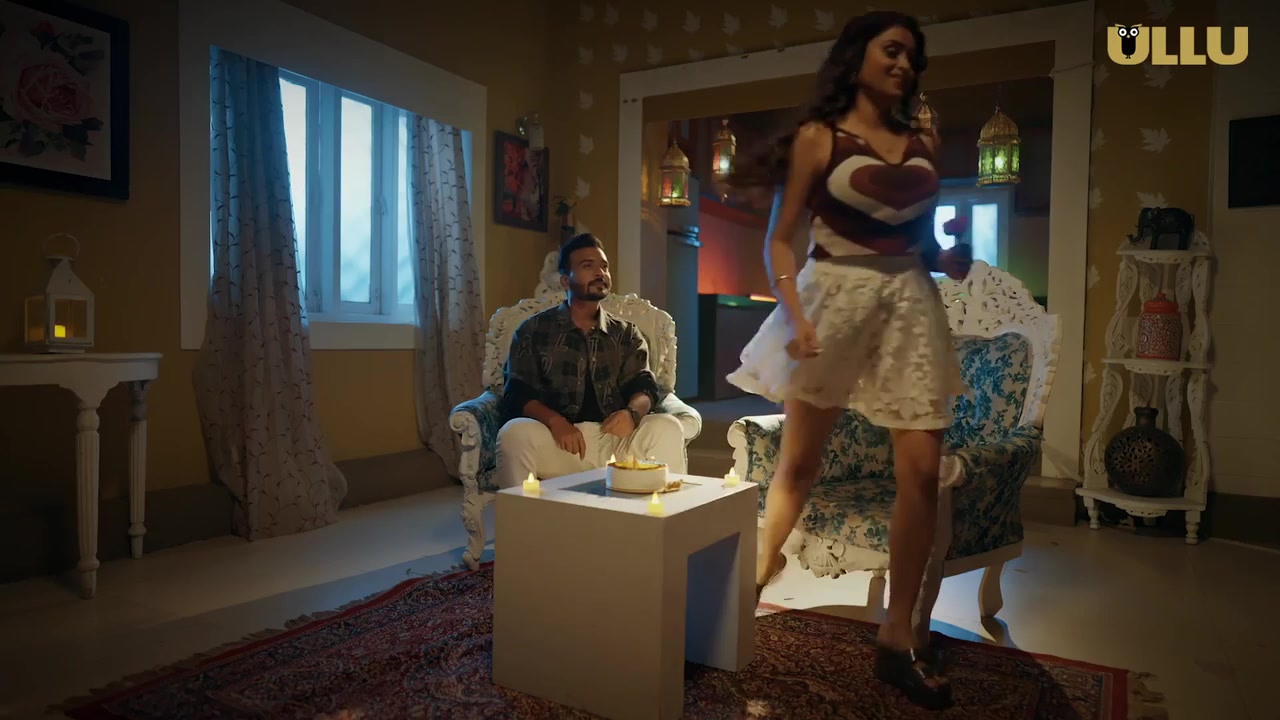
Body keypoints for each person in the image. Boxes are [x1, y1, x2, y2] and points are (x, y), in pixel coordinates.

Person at [724, 11, 970, 711]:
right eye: (892, 50)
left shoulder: (925, 142)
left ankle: (898, 640)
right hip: (832, 300)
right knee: (799, 464)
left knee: (920, 473)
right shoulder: (819, 138)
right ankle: (748, 591)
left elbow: (917, 239)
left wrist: (947, 258)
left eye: (913, 56)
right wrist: (796, 316)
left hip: (910, 306)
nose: (904, 64)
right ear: (856, 56)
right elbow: (781, 239)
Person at [495, 233, 686, 489]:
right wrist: (556, 423)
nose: (600, 273)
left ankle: (665, 510)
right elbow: (518, 392)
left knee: (667, 427)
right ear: (565, 280)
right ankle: (521, 514)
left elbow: (645, 386)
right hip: (557, 441)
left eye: (604, 267)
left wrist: (631, 414)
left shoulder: (626, 333)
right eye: (588, 266)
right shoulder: (533, 330)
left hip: (615, 439)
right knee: (514, 434)